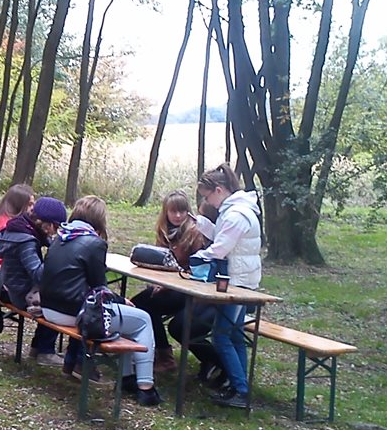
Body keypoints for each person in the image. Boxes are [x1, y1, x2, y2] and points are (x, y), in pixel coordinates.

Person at [39, 195, 161, 406]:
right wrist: (121, 300)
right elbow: (99, 288)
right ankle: (145, 388)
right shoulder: (94, 243)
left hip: (50, 308)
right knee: (143, 320)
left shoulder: (61, 237)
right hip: (75, 313)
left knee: (126, 319)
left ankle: (127, 377)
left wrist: (119, 301)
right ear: (99, 219)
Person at [129, 190, 226, 386]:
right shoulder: (164, 231)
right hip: (171, 287)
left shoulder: (195, 232)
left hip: (193, 291)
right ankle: (162, 354)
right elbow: (160, 263)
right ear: (166, 212)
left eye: (182, 211)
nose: (178, 216)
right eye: (173, 211)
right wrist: (157, 282)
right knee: (139, 304)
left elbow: (198, 271)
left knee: (176, 325)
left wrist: (168, 284)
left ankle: (213, 362)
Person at [191, 163, 263, 409]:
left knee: (222, 336)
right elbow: (225, 238)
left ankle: (241, 390)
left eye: (207, 196)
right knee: (234, 335)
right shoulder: (234, 211)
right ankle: (238, 386)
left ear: (219, 190)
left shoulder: (235, 214)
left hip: (238, 282)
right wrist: (202, 224)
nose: (207, 201)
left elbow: (221, 248)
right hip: (240, 279)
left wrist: (198, 258)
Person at [0, 195, 66, 367]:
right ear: (46, 223)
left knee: (57, 295)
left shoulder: (21, 228)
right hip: (19, 294)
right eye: (56, 227)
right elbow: (38, 275)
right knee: (62, 301)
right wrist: (56, 253)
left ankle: (37, 346)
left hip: (9, 286)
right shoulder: (26, 240)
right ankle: (45, 351)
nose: (55, 231)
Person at [0, 184, 35, 290]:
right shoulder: (5, 226)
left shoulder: (0, 219)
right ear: (18, 205)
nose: (32, 209)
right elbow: (1, 260)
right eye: (29, 205)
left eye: (33, 204)